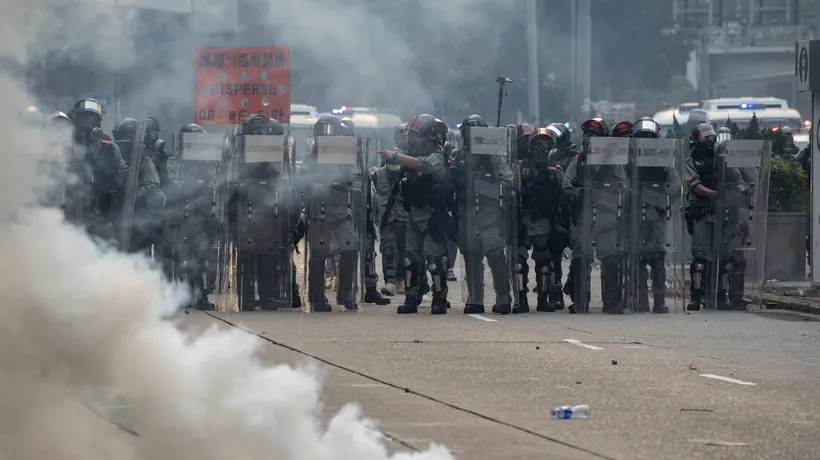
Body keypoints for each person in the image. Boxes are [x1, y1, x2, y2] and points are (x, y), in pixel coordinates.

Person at [378, 114, 453, 315]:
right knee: (410, 261)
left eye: (415, 135)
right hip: (414, 214)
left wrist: (396, 157)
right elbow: (396, 177)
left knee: (434, 262)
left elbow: (425, 165)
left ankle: (439, 299)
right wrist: (392, 164)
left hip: (432, 216)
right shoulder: (410, 155)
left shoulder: (438, 155)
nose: (411, 139)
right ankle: (412, 299)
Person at [451, 114, 515, 315]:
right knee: (471, 255)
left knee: (495, 253)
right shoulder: (459, 156)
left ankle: (504, 299)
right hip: (465, 214)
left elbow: (508, 180)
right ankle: (475, 298)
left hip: (489, 213)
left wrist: (485, 188)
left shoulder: (492, 156)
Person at [301, 115, 364, 312]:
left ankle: (346, 293)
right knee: (319, 254)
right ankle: (316, 297)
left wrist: (348, 183)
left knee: (350, 248)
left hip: (341, 210)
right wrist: (314, 183)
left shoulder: (348, 156)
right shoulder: (312, 157)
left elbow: (358, 181)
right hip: (318, 211)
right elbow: (302, 181)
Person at [629, 117, 681, 313]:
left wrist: (659, 203)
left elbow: (675, 187)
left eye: (648, 137)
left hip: (655, 217)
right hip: (636, 216)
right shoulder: (629, 160)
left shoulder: (664, 162)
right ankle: (642, 301)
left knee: (657, 258)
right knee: (640, 259)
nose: (645, 141)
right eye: (642, 137)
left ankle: (659, 302)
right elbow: (620, 185)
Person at [562, 118, 611, 313]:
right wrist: (581, 193)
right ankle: (581, 300)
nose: (588, 138)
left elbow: (624, 184)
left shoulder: (612, 160)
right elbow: (566, 184)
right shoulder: (579, 160)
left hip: (607, 217)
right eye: (587, 134)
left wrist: (606, 193)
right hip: (583, 217)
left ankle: (612, 300)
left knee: (610, 257)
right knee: (581, 258)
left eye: (594, 135)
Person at [340, 116, 390, 306]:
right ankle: (347, 291)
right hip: (342, 210)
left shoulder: (357, 153)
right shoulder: (325, 154)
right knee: (348, 252)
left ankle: (370, 289)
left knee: (368, 251)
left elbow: (366, 182)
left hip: (362, 209)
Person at [521, 127, 571, 312]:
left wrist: (564, 224)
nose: (541, 149)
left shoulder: (555, 172)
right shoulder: (521, 169)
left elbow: (564, 198)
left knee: (544, 262)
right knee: (518, 261)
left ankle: (544, 299)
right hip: (522, 220)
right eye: (537, 144)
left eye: (545, 144)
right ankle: (520, 299)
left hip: (544, 221)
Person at [68, 98, 128, 243]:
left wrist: (113, 186)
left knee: (101, 246)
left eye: (93, 119)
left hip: (101, 209)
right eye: (85, 119)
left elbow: (123, 171)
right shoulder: (67, 142)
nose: (90, 123)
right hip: (72, 206)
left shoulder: (108, 145)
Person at [111, 116, 166, 255]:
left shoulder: (144, 162)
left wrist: (138, 194)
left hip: (138, 219)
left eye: (131, 137)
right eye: (126, 136)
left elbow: (153, 188)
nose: (128, 141)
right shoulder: (109, 156)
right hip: (112, 215)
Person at [375, 123, 411, 296]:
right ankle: (389, 281)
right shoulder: (377, 175)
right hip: (387, 220)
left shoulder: (409, 174)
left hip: (405, 219)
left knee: (405, 251)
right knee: (388, 249)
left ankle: (400, 280)